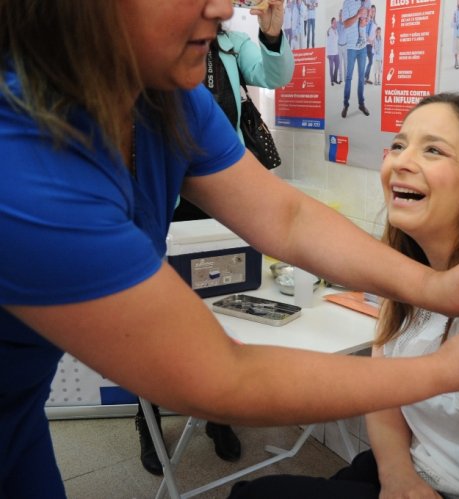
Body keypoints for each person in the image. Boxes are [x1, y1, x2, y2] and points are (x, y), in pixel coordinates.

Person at [0, 2, 459, 497]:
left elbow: (289, 216)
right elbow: (219, 377)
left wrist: (432, 285)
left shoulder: (166, 100)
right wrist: (448, 370)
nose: (223, 7)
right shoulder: (21, 171)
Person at [226, 93, 459, 498]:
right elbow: (385, 389)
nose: (399, 161)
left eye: (433, 150)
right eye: (398, 145)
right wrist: (398, 474)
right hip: (421, 470)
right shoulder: (409, 276)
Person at [140, 11, 296, 473]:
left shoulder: (230, 46)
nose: (223, 9)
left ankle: (217, 413)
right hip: (166, 198)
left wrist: (271, 32)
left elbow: (275, 74)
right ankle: (146, 417)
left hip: (220, 191)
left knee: (225, 296)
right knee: (157, 317)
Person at [340, 0, 371, 118]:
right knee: (349, 77)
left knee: (361, 77)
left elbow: (368, 16)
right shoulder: (347, 2)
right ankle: (346, 105)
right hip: (351, 47)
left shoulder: (365, 1)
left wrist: (366, 20)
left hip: (362, 47)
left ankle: (361, 104)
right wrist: (357, 15)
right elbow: (346, 24)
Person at [326, 17, 341, 85]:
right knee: (331, 67)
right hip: (330, 53)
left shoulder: (336, 31)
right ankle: (332, 80)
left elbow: (336, 41)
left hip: (336, 52)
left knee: (337, 65)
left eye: (336, 22)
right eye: (334, 22)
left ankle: (335, 79)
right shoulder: (329, 31)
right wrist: (327, 53)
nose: (335, 23)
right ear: (331, 23)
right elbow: (327, 42)